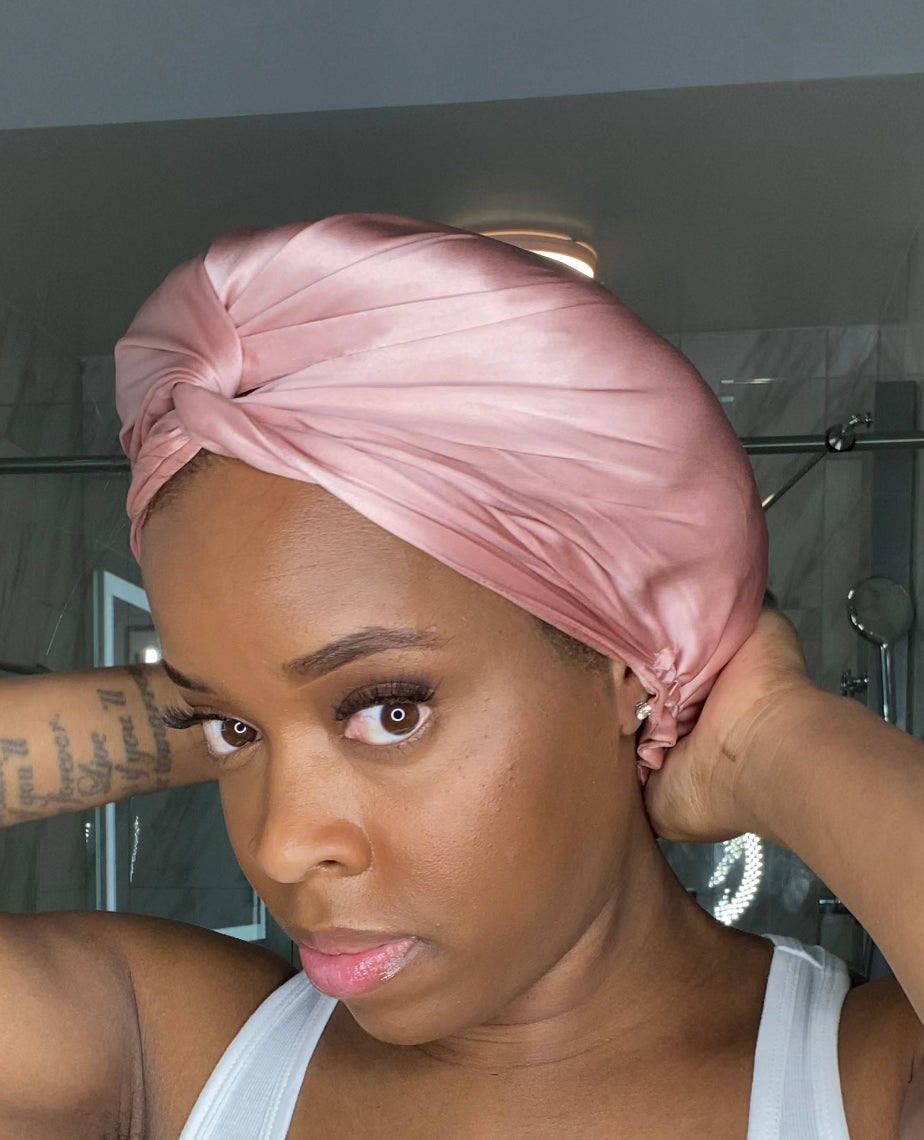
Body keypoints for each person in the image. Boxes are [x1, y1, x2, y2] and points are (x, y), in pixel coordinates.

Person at [0, 213, 921, 1140]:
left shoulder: (868, 1090)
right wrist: (253, 692)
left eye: (391, 711)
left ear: (623, 663)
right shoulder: (162, 1055)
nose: (281, 849)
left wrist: (773, 738)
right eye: (230, 733)